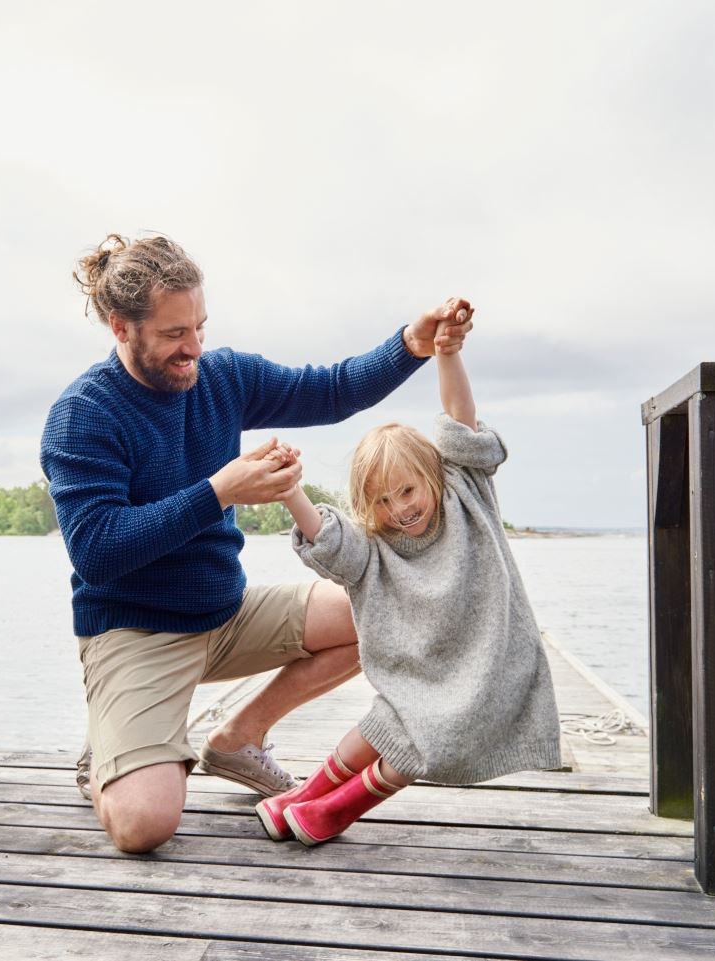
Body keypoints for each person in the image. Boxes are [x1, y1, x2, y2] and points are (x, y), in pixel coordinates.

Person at [39, 232, 474, 853]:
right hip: (135, 632)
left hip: (227, 613)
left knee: (388, 605)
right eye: (172, 335)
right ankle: (109, 757)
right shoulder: (84, 416)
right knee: (143, 827)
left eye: (199, 327)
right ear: (120, 327)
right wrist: (219, 490)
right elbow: (98, 551)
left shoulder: (222, 377)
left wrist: (411, 344)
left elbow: (331, 390)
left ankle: (240, 735)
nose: (193, 348)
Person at [256, 311, 562, 846]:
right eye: (382, 500)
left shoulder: (466, 491)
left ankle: (337, 809)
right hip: (424, 673)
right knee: (388, 720)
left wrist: (446, 351)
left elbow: (461, 420)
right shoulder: (377, 546)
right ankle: (304, 799)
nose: (399, 509)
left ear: (435, 475)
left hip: (489, 666)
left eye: (408, 491)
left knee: (433, 734)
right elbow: (333, 544)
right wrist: (290, 494)